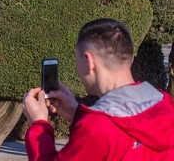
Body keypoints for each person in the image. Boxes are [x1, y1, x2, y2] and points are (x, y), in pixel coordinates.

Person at [22, 18, 174, 160]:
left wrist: (39, 126)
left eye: (77, 59)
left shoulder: (97, 128)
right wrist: (76, 114)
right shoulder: (166, 103)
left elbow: (101, 133)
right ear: (131, 58)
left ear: (89, 61)